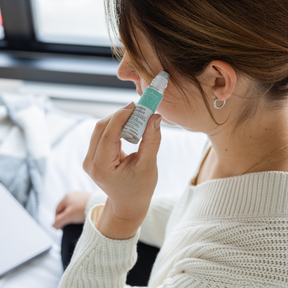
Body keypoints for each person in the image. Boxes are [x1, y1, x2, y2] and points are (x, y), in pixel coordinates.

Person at [54, 0, 288, 287]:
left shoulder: (242, 269)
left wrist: (121, 214)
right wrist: (101, 202)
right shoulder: (243, 130)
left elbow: (223, 235)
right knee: (74, 232)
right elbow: (201, 217)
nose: (123, 71)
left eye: (138, 56)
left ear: (218, 81)